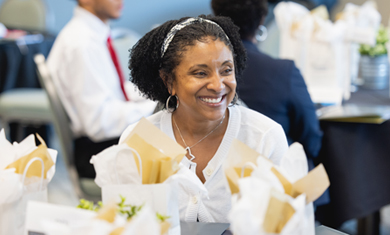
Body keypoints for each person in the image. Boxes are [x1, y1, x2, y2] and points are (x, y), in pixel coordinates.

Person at [119, 15, 289, 222]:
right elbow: (126, 223)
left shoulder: (262, 137)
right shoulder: (141, 140)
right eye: (200, 73)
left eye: (226, 70)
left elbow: (282, 225)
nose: (218, 85)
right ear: (168, 80)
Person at [47, 0, 156, 178]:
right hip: (99, 154)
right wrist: (156, 109)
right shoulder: (82, 44)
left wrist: (154, 94)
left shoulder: (91, 35)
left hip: (106, 144)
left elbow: (112, 90)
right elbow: (99, 122)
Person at [211, 0, 323, 171]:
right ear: (262, 19)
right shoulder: (283, 71)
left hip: (215, 170)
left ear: (215, 16)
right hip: (276, 178)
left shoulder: (199, 72)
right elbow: (311, 136)